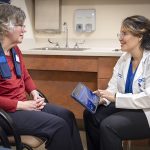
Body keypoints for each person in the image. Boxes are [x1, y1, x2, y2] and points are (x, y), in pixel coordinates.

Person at [0, 3, 83, 150]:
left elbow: (25, 76)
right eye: (20, 25)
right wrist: (22, 105)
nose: (24, 30)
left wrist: (34, 93)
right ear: (5, 26)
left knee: (67, 116)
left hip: (22, 106)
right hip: (5, 115)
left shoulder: (15, 50)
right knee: (58, 126)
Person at [83, 15, 150, 150]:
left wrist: (115, 98)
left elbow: (148, 98)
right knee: (90, 113)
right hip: (127, 105)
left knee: (109, 125)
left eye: (124, 33)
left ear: (140, 36)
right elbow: (112, 88)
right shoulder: (124, 59)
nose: (120, 38)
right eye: (120, 33)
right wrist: (103, 99)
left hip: (145, 111)